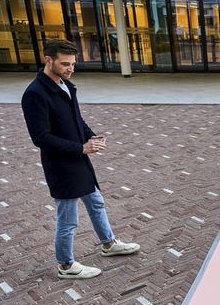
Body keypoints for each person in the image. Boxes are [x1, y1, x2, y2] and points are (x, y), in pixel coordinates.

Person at [21, 39, 139, 280]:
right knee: (68, 218)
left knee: (96, 202)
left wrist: (91, 136)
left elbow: (77, 119)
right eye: (65, 64)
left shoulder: (65, 85)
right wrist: (82, 148)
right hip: (61, 165)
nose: (70, 69)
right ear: (48, 60)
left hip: (78, 158)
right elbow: (40, 138)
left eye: (73, 64)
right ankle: (65, 265)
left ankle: (109, 243)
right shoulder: (35, 94)